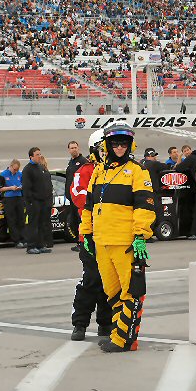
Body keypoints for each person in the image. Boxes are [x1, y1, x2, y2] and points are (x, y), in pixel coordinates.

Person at [80, 122, 156, 352]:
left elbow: (145, 205)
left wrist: (140, 235)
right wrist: (86, 233)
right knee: (112, 292)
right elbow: (89, 206)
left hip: (125, 242)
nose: (120, 147)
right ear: (107, 145)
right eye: (115, 143)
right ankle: (117, 335)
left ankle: (126, 340)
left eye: (124, 143)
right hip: (101, 241)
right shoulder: (99, 172)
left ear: (130, 145)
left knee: (131, 291)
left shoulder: (137, 171)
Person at [69, 129, 113, 341]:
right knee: (91, 280)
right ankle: (80, 323)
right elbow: (78, 196)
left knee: (109, 281)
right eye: (104, 148)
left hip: (112, 236)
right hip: (90, 236)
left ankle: (105, 323)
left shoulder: (118, 171)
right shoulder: (84, 171)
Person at [22, 147, 53, 254]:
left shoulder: (40, 167)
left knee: (42, 223)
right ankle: (31, 246)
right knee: (33, 224)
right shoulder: (27, 169)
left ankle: (40, 245)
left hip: (43, 201)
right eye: (37, 155)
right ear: (31, 157)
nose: (40, 156)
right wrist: (30, 201)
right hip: (33, 202)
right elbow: (26, 187)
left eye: (40, 154)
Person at [0, 159, 26, 248]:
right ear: (11, 166)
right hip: (9, 199)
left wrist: (21, 187)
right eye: (14, 169)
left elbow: (24, 184)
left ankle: (24, 239)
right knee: (12, 220)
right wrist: (10, 188)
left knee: (21, 219)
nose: (15, 171)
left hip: (19, 197)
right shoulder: (3, 175)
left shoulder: (20, 174)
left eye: (17, 170)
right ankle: (16, 240)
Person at [65, 140, 88, 252]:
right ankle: (79, 242)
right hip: (72, 198)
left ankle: (83, 243)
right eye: (72, 148)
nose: (74, 150)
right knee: (74, 221)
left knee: (81, 221)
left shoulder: (83, 162)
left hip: (80, 198)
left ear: (78, 148)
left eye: (75, 147)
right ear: (69, 150)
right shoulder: (71, 162)